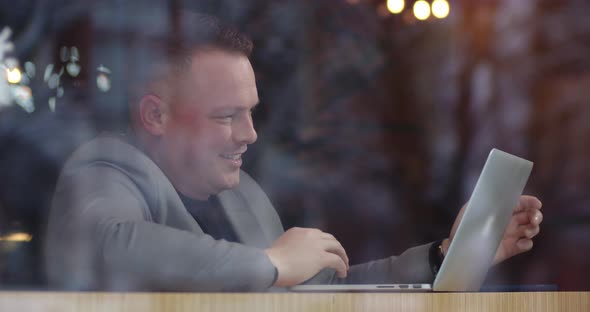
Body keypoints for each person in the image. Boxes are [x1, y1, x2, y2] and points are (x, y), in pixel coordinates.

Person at [44, 14, 543, 291]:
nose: (251, 134)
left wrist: (442, 258)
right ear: (155, 117)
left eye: (251, 112)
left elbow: (321, 292)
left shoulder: (243, 196)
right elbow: (107, 246)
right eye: (225, 116)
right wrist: (271, 264)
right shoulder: (108, 165)